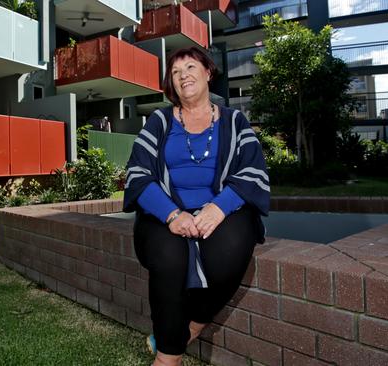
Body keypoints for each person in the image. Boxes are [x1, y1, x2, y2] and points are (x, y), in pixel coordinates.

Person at [123, 47, 269, 366]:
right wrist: (171, 214)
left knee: (230, 253)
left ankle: (192, 326)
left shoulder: (234, 120)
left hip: (219, 209)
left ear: (208, 73)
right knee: (168, 258)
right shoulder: (159, 121)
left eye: (190, 67)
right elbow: (137, 173)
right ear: (171, 85)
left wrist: (218, 208)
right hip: (165, 212)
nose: (183, 75)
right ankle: (167, 358)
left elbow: (253, 170)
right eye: (175, 72)